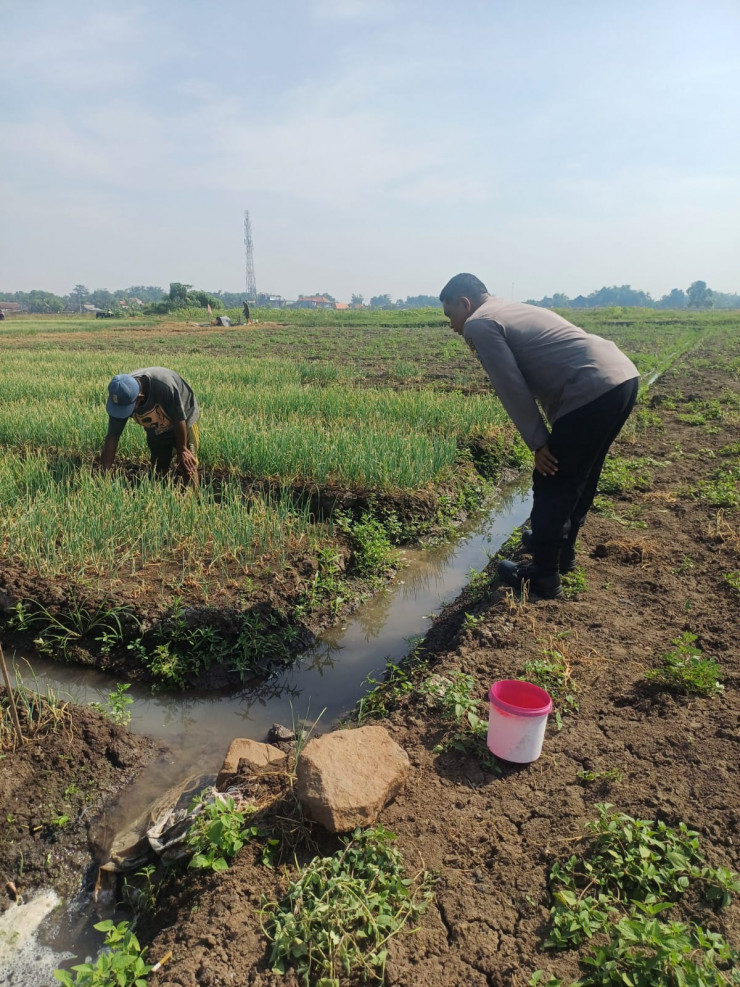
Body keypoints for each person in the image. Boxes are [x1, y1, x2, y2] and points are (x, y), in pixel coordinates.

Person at [440, 273, 639, 599]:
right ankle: (562, 552)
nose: (452, 326)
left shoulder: (479, 323)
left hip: (590, 387)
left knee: (552, 478)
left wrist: (539, 442)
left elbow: (511, 387)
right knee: (580, 474)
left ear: (465, 303)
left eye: (450, 315)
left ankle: (544, 575)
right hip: (620, 377)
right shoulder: (506, 308)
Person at [100, 367, 200, 487]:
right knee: (159, 465)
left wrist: (182, 449)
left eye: (128, 409)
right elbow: (112, 437)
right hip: (154, 425)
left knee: (187, 464)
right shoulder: (121, 398)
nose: (123, 414)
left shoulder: (164, 387)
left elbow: (179, 419)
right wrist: (104, 476)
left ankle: (192, 496)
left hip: (184, 419)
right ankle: (162, 492)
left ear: (140, 397)